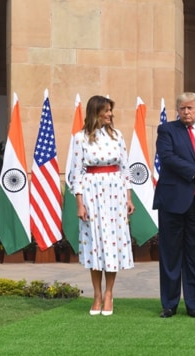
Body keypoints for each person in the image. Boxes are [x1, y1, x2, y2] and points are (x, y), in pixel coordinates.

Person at [153, 92, 195, 318]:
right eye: (182, 108)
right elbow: (168, 158)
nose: (186, 112)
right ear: (178, 109)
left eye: (190, 108)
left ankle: (194, 305)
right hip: (173, 202)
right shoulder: (167, 130)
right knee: (171, 255)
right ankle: (170, 304)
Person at [68, 95, 135, 316]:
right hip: (91, 193)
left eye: (110, 111)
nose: (110, 114)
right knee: (95, 244)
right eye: (106, 111)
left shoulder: (117, 136)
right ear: (95, 112)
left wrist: (128, 198)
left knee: (111, 243)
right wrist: (79, 204)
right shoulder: (80, 138)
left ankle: (109, 294)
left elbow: (125, 168)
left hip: (115, 193)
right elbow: (76, 172)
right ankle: (96, 294)